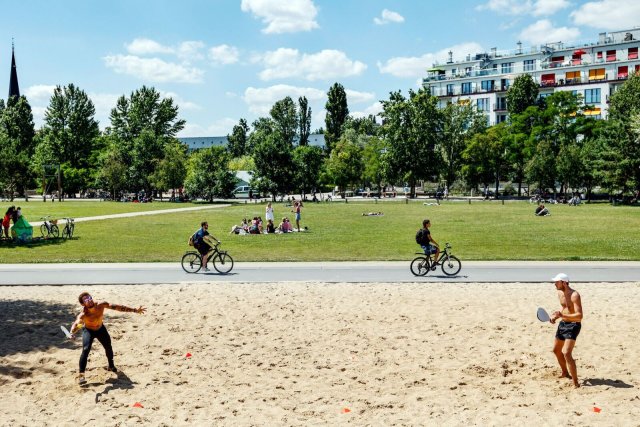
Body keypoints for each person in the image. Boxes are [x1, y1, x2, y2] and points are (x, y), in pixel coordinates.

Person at [68, 292, 146, 384]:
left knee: (108, 346)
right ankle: (81, 375)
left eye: (89, 297)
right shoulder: (83, 314)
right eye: (86, 300)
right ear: (82, 304)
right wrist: (72, 331)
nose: (89, 300)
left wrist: (134, 310)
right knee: (85, 349)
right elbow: (77, 323)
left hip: (101, 329)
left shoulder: (101, 305)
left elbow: (118, 307)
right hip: (88, 331)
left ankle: (111, 366)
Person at [549, 273, 583, 388]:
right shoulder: (559, 293)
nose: (554, 284)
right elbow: (564, 308)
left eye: (557, 282)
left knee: (567, 353)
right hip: (563, 323)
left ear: (564, 282)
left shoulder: (575, 295)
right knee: (556, 350)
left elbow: (579, 316)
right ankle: (565, 372)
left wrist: (562, 315)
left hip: (573, 325)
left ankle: (576, 382)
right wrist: (556, 316)